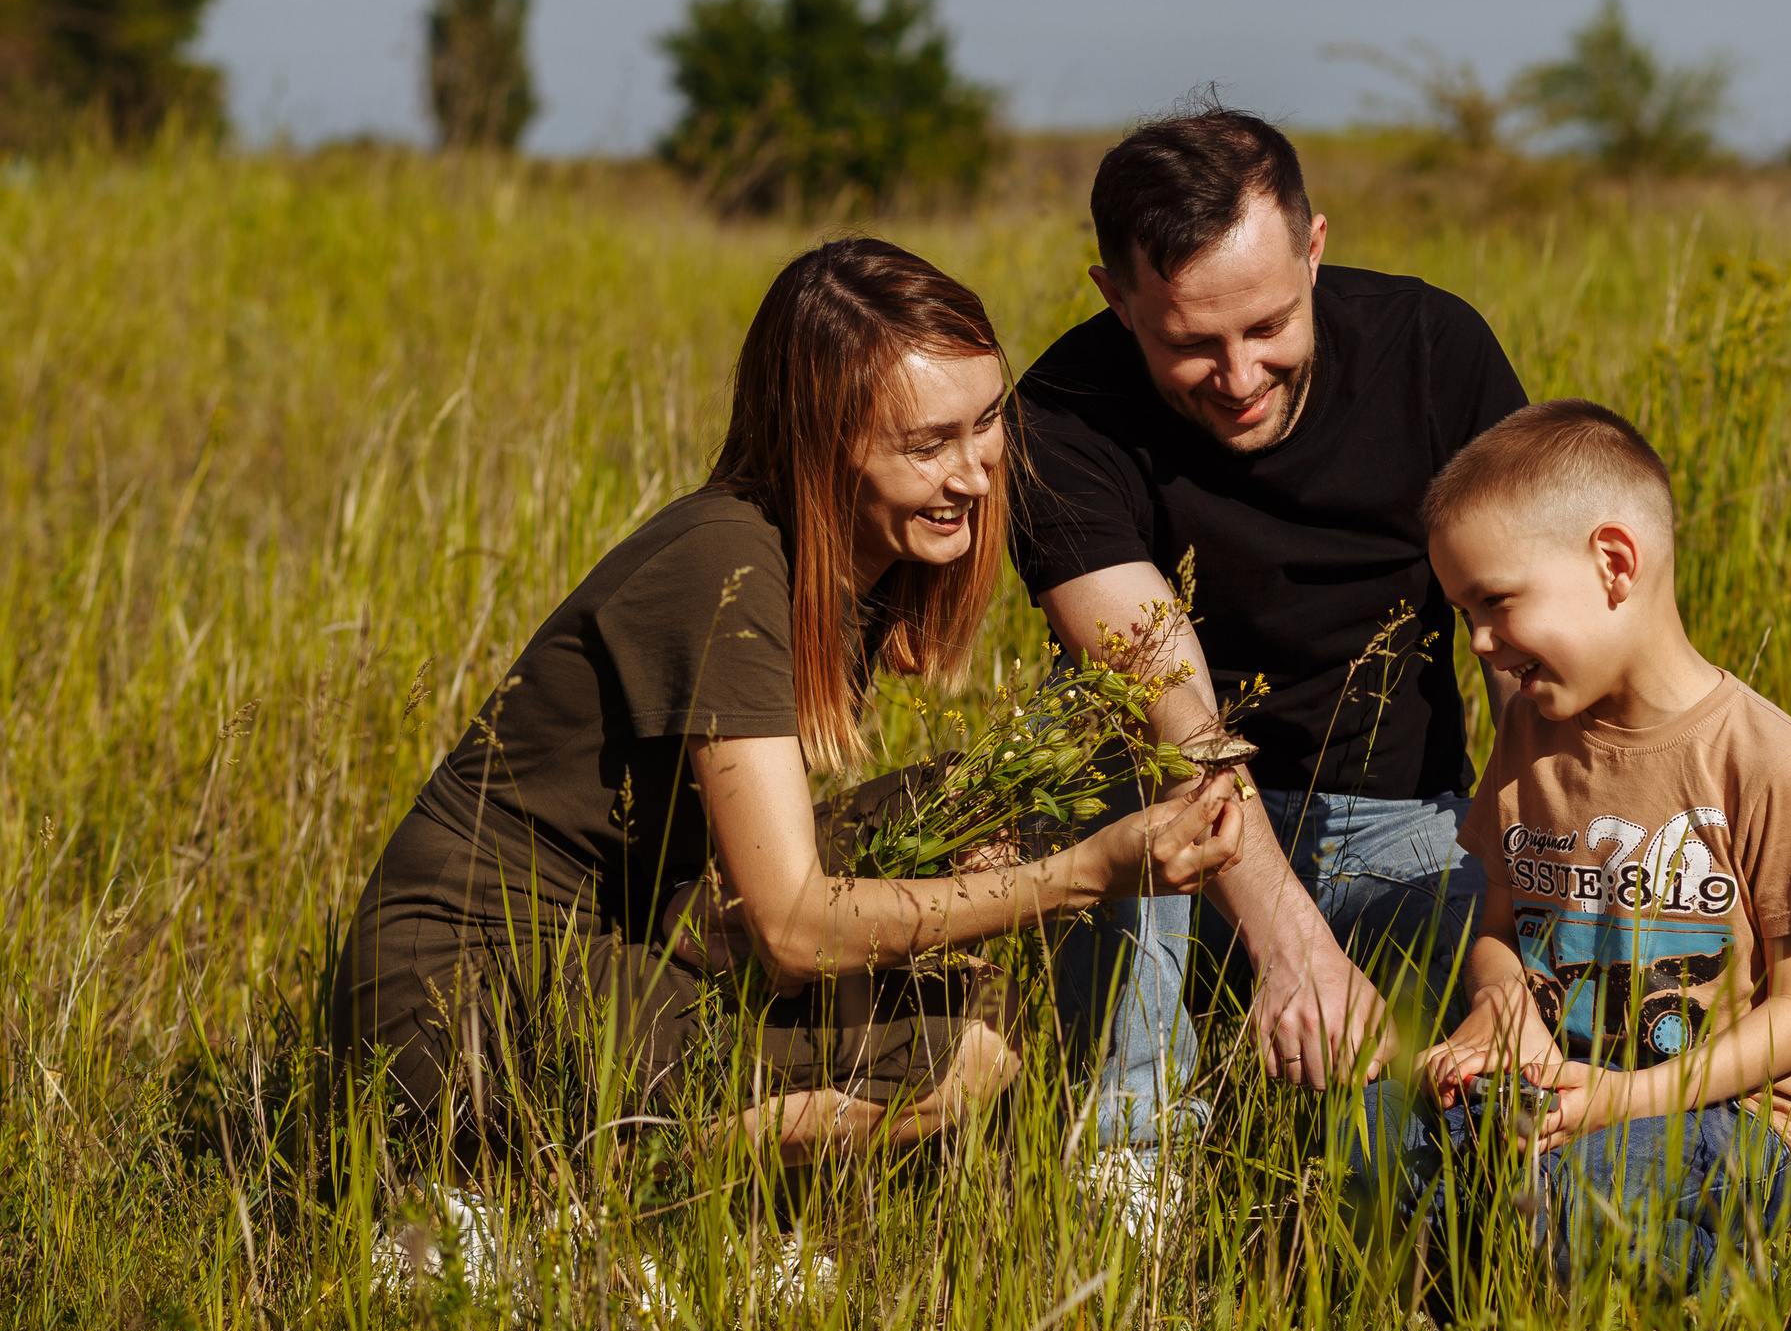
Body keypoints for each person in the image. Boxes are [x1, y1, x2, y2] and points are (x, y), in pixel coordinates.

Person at [330, 238, 1241, 1190]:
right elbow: (797, 926)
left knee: (988, 812)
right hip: (456, 1002)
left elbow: (742, 885)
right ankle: (558, 1203)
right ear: (820, 443)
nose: (973, 473)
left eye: (984, 425)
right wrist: (1086, 874)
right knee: (963, 1055)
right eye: (927, 445)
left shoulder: (854, 558)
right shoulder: (726, 562)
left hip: (619, 940)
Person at [1007, 104, 1527, 1200]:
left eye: (1269, 326)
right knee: (1108, 769)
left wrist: (1531, 891)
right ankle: (1128, 1176)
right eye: (1189, 343)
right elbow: (1168, 709)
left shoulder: (1436, 352)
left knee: (1518, 1006)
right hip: (1165, 830)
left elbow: (1528, 657)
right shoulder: (1059, 414)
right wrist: (1289, 940)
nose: (1239, 377)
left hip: (1400, 821)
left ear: (1314, 249)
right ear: (1114, 298)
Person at [1347, 399, 1791, 1292]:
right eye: (1466, 613)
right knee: (1375, 1148)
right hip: (1556, 1096)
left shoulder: (1772, 765)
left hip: (1717, 1111)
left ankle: (1710, 1300)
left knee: (1586, 1199)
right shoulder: (1528, 747)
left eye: (1497, 604)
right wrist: (1502, 1009)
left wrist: (1625, 1097)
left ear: (1614, 563)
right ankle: (1507, 1254)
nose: (1480, 643)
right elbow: (1499, 922)